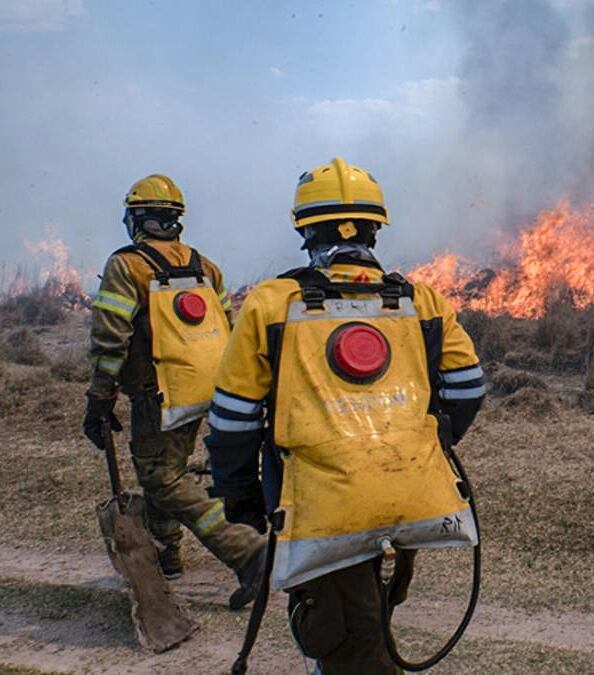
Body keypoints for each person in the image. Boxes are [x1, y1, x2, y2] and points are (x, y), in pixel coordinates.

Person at [206, 157, 485, 673]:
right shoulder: (421, 301)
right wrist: (426, 441)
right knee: (369, 612)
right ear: (375, 229)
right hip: (407, 490)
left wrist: (240, 493)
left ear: (305, 230)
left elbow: (235, 420)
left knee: (345, 639)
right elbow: (467, 388)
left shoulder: (272, 304)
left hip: (319, 503)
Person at [82, 174, 265, 609]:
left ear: (136, 220)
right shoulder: (206, 266)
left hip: (157, 390)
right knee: (168, 466)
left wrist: (99, 395)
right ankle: (168, 554)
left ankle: (247, 551)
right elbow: (229, 330)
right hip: (206, 386)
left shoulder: (126, 266)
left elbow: (111, 337)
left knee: (161, 479)